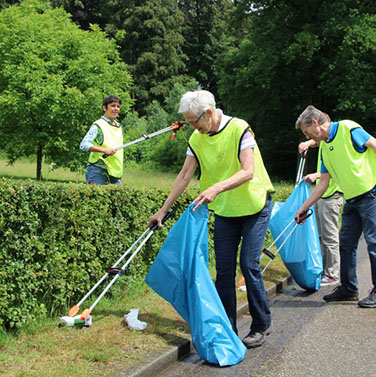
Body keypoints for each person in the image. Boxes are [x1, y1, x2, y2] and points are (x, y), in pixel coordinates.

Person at [149, 90, 275, 348]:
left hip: (254, 205)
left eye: (193, 121)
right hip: (226, 210)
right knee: (224, 271)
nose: (191, 126)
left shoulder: (240, 128)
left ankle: (261, 324)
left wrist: (216, 188)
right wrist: (162, 210)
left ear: (208, 114)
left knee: (249, 265)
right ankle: (226, 327)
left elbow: (248, 171)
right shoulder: (197, 138)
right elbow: (185, 175)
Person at [295, 105, 376, 308]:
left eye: (307, 132)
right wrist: (304, 207)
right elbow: (323, 184)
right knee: (346, 243)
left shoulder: (348, 127)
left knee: (373, 241)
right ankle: (349, 288)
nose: (308, 136)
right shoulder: (325, 148)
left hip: (370, 192)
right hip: (352, 198)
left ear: (316, 123)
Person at [298, 139, 343, 286]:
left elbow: (336, 167)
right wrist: (307, 144)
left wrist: (317, 175)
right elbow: (316, 141)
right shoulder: (323, 140)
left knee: (330, 237)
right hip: (321, 195)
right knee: (319, 235)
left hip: (332, 195)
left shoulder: (336, 142)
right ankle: (323, 269)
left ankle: (332, 274)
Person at [79, 95, 123, 184]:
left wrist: (120, 173)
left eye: (118, 106)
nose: (116, 109)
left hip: (115, 173)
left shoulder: (119, 127)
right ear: (104, 108)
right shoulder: (98, 125)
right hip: (98, 170)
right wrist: (104, 150)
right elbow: (84, 145)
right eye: (113, 106)